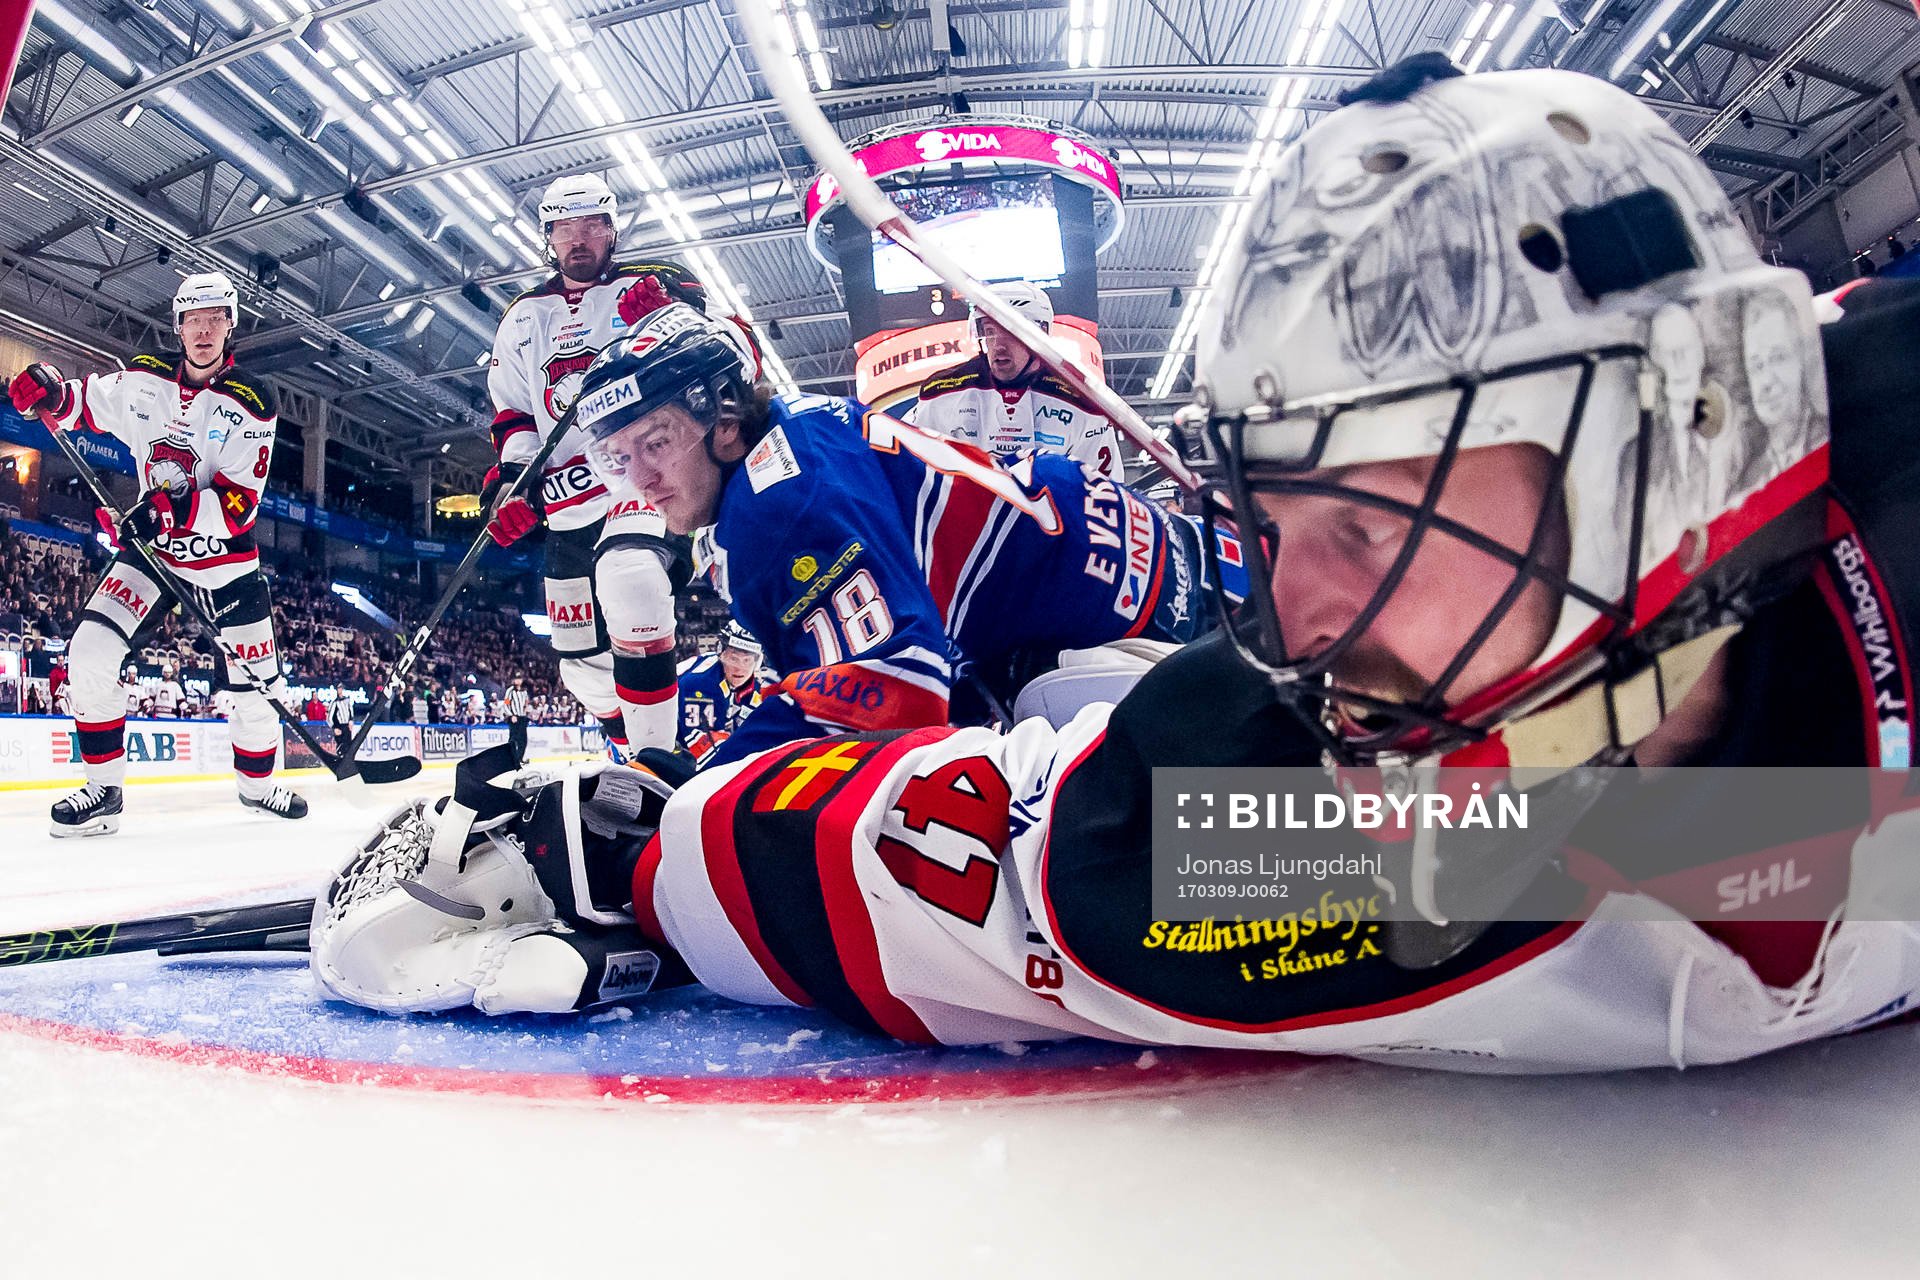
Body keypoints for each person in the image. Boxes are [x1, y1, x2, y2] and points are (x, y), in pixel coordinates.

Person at [316, 61, 1920, 1070]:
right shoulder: (1385, 816)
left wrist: (647, 828)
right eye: (1283, 524)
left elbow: (945, 773)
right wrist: (650, 838)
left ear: (1687, 450)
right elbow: (1002, 844)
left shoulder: (1496, 846)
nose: (1294, 618)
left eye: (1373, 519)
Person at [574, 298, 1226, 768]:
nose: (642, 478)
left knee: (1208, 885)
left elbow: (892, 691)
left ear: (720, 417)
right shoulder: (796, 432)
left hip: (1130, 621)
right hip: (1134, 561)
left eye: (655, 442)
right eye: (619, 457)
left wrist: (700, 791)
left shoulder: (776, 505)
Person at [9, 271, 307, 836]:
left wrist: (170, 512)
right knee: (90, 649)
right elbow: (84, 404)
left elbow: (240, 506)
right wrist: (48, 387)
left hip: (226, 562)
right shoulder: (146, 380)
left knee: (256, 687)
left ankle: (259, 786)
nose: (203, 329)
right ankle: (103, 791)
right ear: (178, 325)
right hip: (155, 552)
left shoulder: (252, 402)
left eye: (215, 317)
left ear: (230, 325)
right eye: (193, 318)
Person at [483, 172, 707, 762]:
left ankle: (661, 767)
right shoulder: (523, 317)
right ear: (548, 237)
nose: (578, 239)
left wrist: (673, 315)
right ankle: (628, 750)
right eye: (564, 228)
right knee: (582, 669)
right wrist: (514, 482)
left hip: (640, 481)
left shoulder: (650, 285)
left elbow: (718, 350)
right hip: (566, 507)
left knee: (631, 575)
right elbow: (514, 412)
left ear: (612, 230)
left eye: (590, 226)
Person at [910, 281, 1124, 480]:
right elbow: (913, 470)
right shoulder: (941, 393)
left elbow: (1106, 493)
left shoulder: (1084, 405)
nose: (998, 346)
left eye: (1010, 334)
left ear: (1039, 335)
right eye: (990, 332)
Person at [675, 620, 768, 761]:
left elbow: (752, 733)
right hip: (650, 736)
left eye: (747, 660)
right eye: (733, 658)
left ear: (758, 661)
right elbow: (703, 751)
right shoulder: (700, 684)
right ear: (721, 653)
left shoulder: (753, 689)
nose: (739, 668)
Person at [505, 674, 532, 764]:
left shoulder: (524, 691)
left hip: (522, 717)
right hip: (514, 717)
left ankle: (519, 758)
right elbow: (506, 703)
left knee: (523, 740)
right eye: (516, 679)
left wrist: (526, 710)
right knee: (513, 739)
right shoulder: (510, 691)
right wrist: (511, 715)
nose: (518, 681)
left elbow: (526, 702)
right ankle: (510, 758)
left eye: (519, 679)